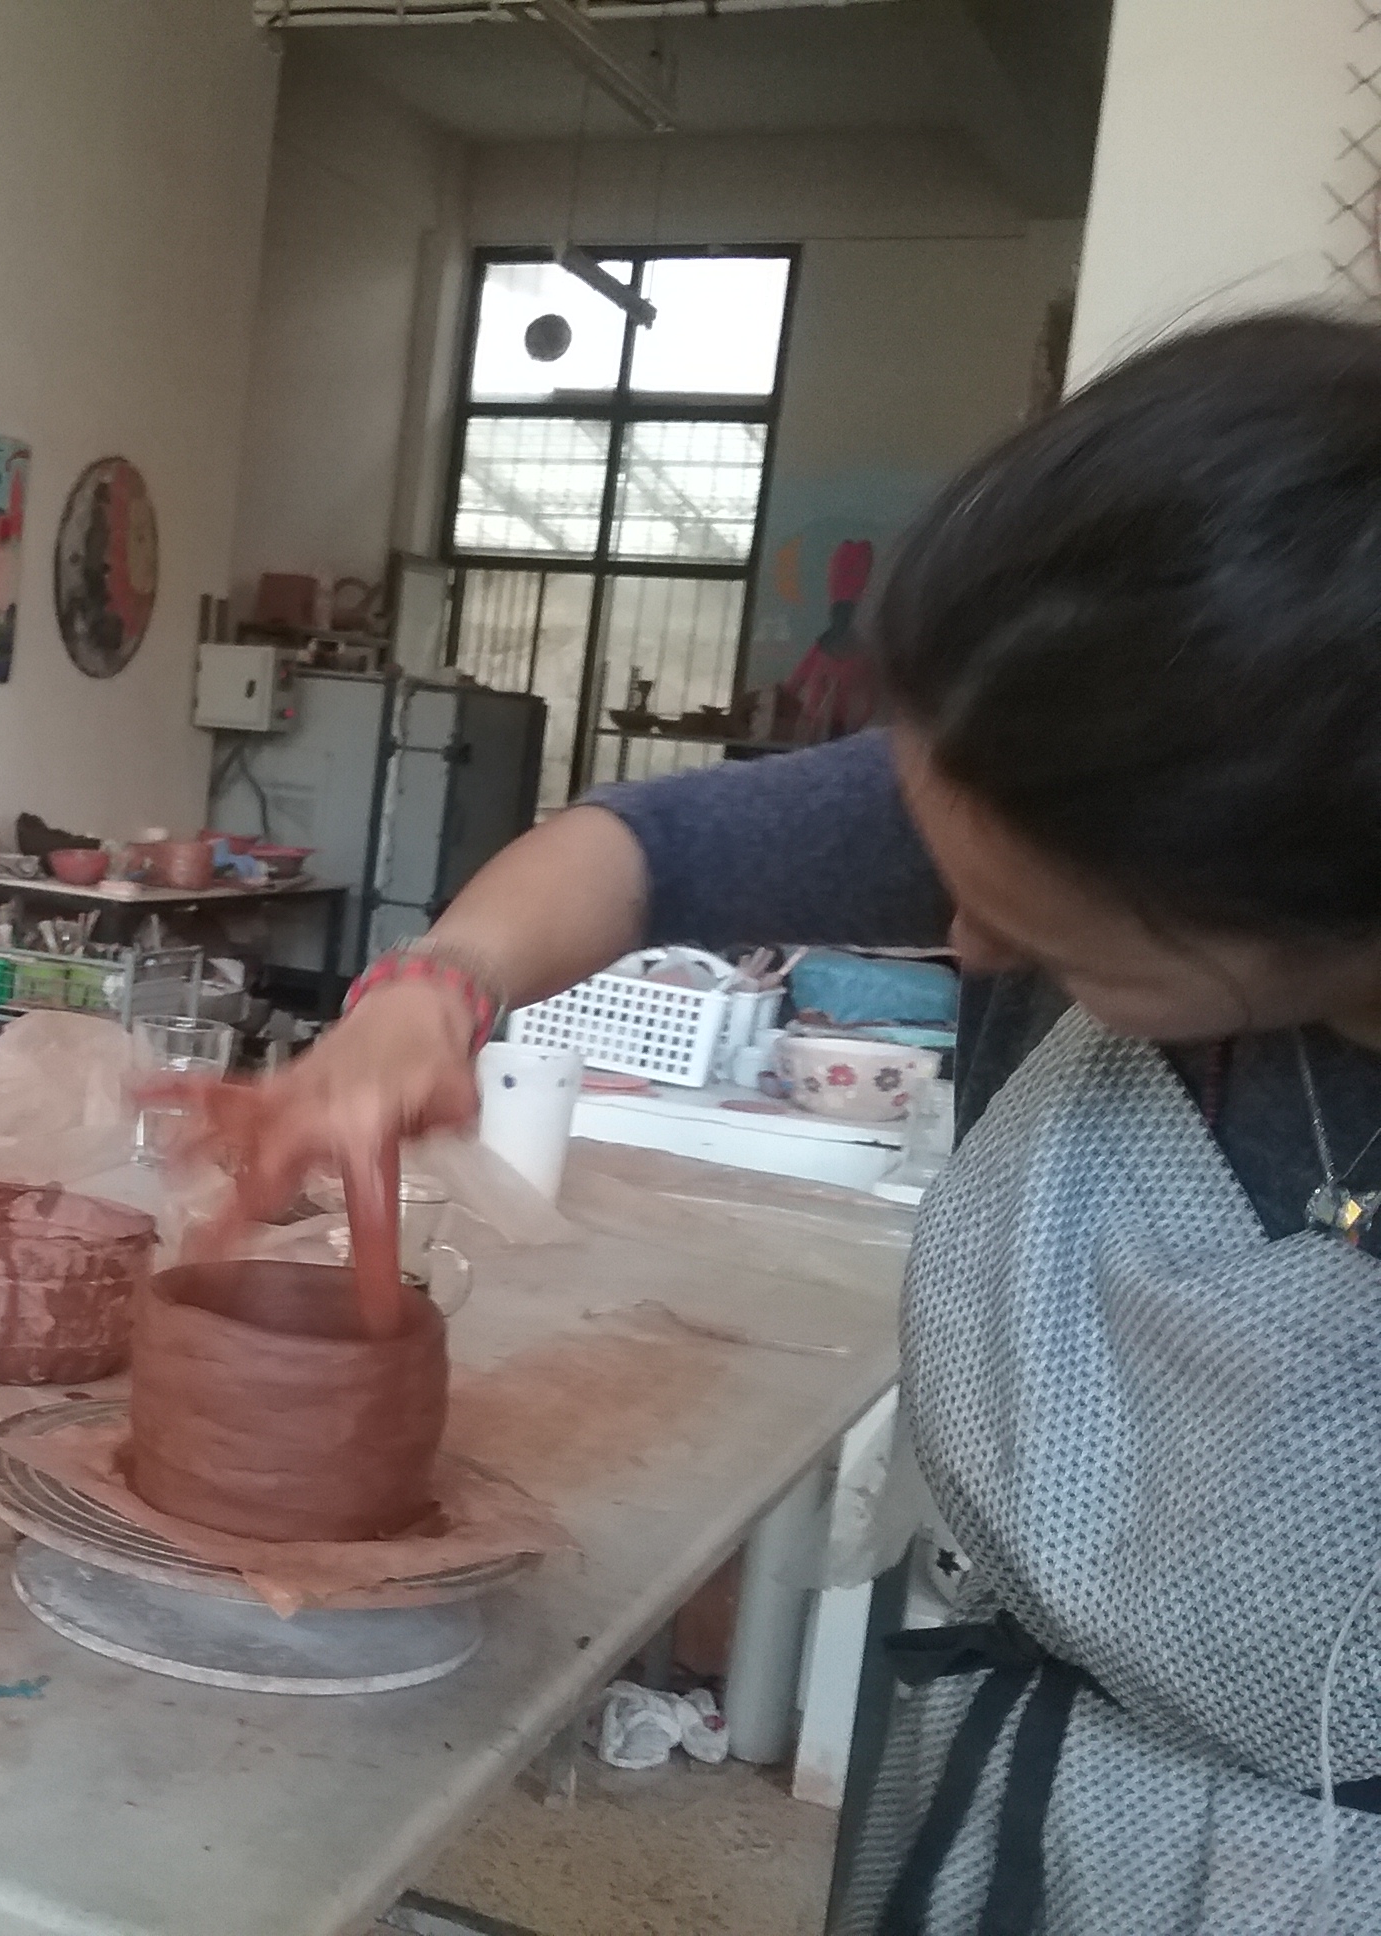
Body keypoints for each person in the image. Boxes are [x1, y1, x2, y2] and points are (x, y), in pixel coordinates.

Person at [199, 312, 1381, 1933]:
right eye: (943, 871)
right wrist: (431, 994)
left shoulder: (1220, 781)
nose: (968, 948)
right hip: (1007, 1781)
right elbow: (647, 848)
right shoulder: (1032, 766)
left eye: (1042, 928)